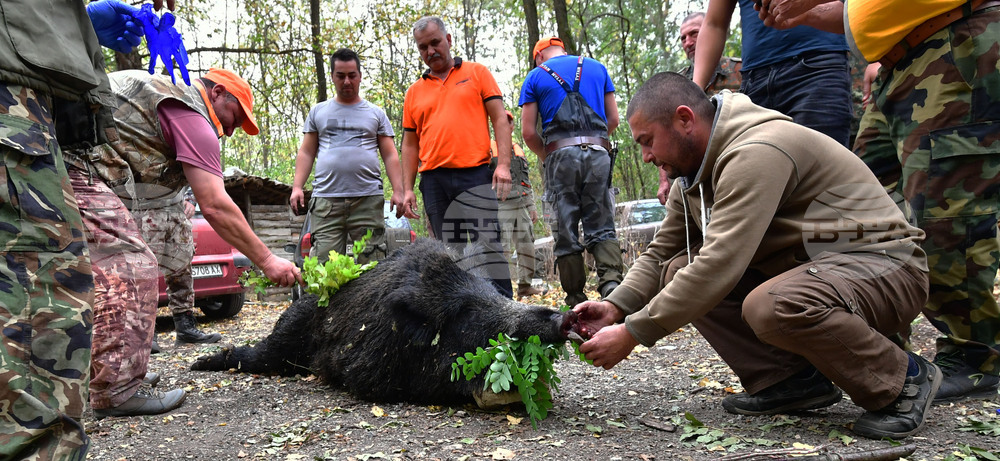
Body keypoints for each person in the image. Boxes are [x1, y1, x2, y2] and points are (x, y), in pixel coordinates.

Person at [576, 72, 938, 440]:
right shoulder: (691, 176)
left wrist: (634, 334)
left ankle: (904, 379)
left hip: (886, 268)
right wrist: (616, 307)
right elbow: (659, 254)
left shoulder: (757, 151)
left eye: (648, 141)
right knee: (678, 269)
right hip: (821, 270)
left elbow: (720, 263)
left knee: (771, 304)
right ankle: (790, 380)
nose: (647, 156)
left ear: (684, 120)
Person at [757, 0, 1000, 403]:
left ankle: (975, 354)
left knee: (944, 214)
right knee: (848, 214)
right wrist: (809, 14)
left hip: (955, 46)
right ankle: (883, 347)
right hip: (896, 66)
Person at [65, 68, 302, 419]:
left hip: (71, 158)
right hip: (67, 162)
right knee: (131, 266)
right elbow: (217, 205)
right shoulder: (193, 118)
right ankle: (116, 391)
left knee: (104, 271)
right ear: (218, 93)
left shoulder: (172, 102)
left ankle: (119, 371)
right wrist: (267, 260)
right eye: (236, 116)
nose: (234, 129)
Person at [0, 0, 156, 457]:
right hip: (13, 107)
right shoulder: (186, 115)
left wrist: (76, 24)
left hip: (33, 96)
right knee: (49, 297)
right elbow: (215, 200)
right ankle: (113, 391)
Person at [400, 16, 513, 298]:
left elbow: (500, 119)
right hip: (434, 181)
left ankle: (507, 317)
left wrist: (503, 165)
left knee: (488, 247)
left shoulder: (477, 73)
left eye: (435, 42)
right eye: (423, 47)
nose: (430, 51)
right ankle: (463, 321)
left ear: (448, 40)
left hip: (474, 175)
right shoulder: (414, 92)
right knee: (450, 254)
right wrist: (406, 189)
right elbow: (410, 145)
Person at [519, 37, 624, 307]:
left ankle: (576, 299)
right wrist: (596, 142)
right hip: (599, 154)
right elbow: (613, 119)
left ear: (539, 56)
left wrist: (548, 155)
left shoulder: (535, 76)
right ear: (562, 50)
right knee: (601, 222)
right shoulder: (597, 67)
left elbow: (529, 133)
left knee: (565, 228)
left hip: (559, 157)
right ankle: (611, 287)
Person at [290, 48, 408, 264]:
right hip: (326, 202)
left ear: (360, 76)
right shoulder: (318, 112)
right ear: (332, 76)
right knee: (325, 268)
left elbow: (390, 154)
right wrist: (297, 187)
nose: (346, 81)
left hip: (367, 200)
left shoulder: (375, 113)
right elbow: (306, 151)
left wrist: (398, 191)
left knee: (372, 266)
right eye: (340, 76)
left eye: (352, 75)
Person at [693, 0, 852, 148]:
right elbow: (714, 24)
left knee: (820, 171)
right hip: (755, 84)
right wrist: (692, 93)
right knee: (760, 174)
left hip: (817, 70)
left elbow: (852, 9)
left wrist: (805, 9)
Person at [661, 11, 744, 204]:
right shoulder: (676, 83)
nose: (687, 42)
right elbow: (665, 133)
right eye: (683, 38)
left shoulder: (741, 71)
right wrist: (664, 180)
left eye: (694, 34)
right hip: (694, 171)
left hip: (736, 160)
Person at [132, 186, 221, 347]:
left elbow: (194, 168)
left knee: (182, 269)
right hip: (144, 210)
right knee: (144, 271)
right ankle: (146, 335)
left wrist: (192, 199)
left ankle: (185, 328)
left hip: (177, 212)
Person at [490, 110, 545, 299]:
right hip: (500, 205)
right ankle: (500, 292)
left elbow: (525, 180)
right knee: (501, 248)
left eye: (510, 122)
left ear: (513, 126)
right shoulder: (488, 148)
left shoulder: (518, 149)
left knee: (527, 246)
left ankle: (525, 286)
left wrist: (531, 205)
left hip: (521, 205)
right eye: (502, 122)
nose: (507, 125)